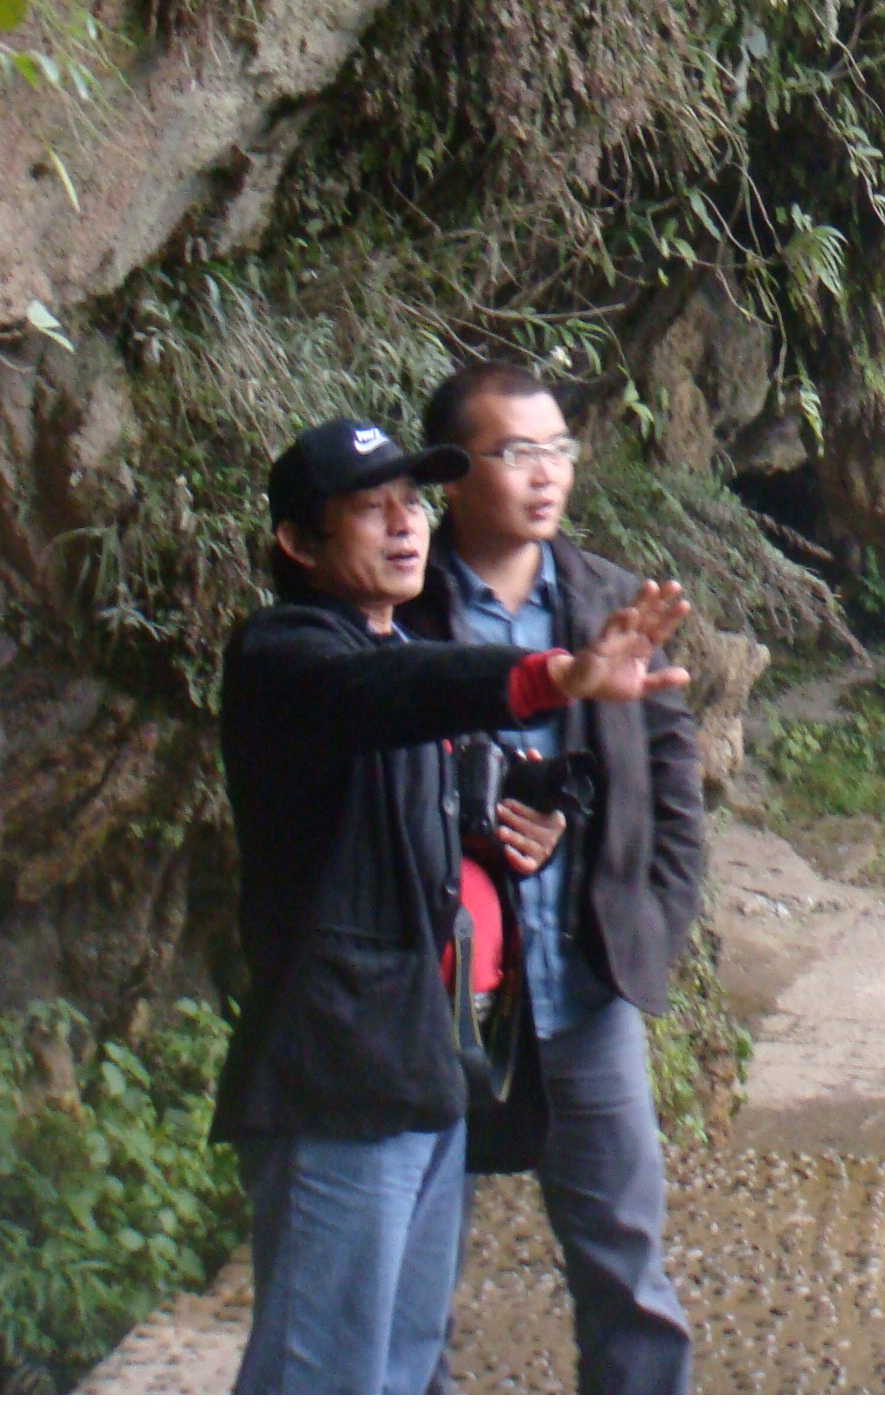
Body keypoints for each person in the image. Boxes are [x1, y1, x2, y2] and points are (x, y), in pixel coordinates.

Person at [211, 415, 692, 1393]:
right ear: (299, 544)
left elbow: (444, 764)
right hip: (340, 1077)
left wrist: (546, 809)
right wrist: (552, 674)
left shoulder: (387, 650)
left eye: (413, 503)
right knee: (325, 1375)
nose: (404, 525)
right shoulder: (289, 655)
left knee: (400, 1364)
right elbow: (391, 693)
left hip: (427, 1069)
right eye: (368, 509)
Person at [401, 362, 706, 1393]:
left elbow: (674, 790)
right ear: (451, 473)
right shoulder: (405, 608)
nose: (547, 474)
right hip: (442, 996)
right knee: (412, 1284)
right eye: (516, 453)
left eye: (559, 450)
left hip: (584, 988)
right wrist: (477, 835)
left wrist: (653, 925)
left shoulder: (612, 602)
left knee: (627, 1271)